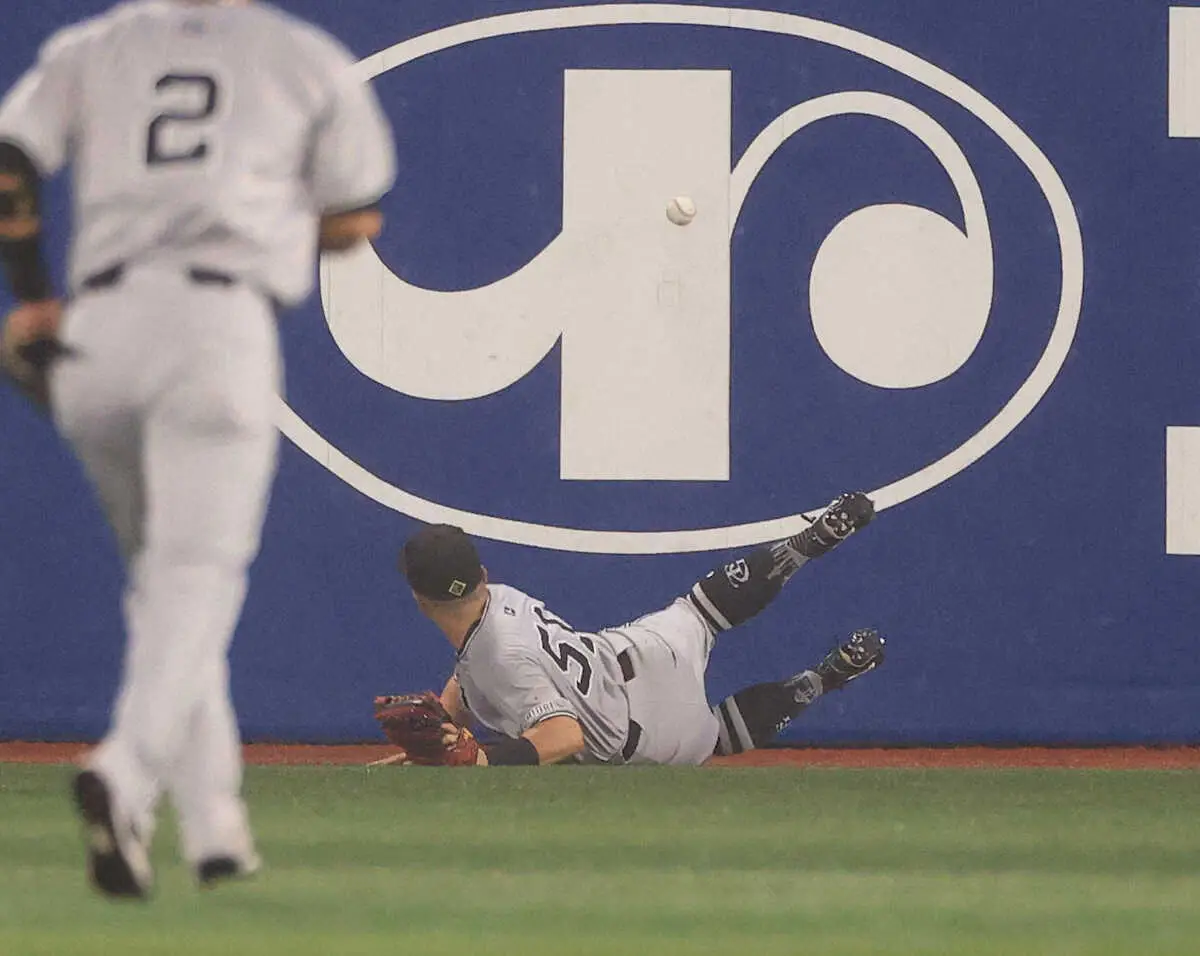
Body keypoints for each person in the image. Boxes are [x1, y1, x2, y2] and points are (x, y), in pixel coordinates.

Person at [0, 0, 396, 898]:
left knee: (169, 593)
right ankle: (127, 776)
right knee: (196, 581)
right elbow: (356, 220)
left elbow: (9, 163)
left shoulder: (91, 45)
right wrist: (270, 207)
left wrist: (29, 290)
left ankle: (216, 829)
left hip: (97, 330)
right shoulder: (300, 55)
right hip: (218, 328)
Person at [395, 493, 884, 767]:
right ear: (480, 575)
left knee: (713, 736)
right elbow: (475, 673)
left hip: (650, 732)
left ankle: (825, 678)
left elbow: (564, 735)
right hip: (644, 653)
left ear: (420, 600)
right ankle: (802, 545)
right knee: (702, 610)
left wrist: (482, 762)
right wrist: (445, 716)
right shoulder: (498, 596)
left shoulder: (496, 659)